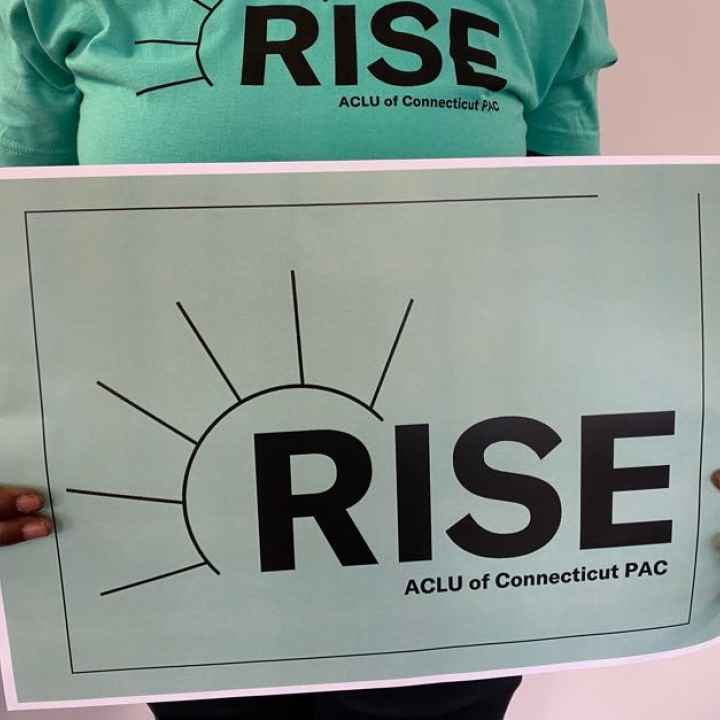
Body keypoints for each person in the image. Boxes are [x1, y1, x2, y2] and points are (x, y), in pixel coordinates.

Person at [2, 2, 705, 719]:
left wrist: (691, 468)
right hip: (176, 540)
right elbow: (22, 258)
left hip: (451, 527)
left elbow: (569, 255)